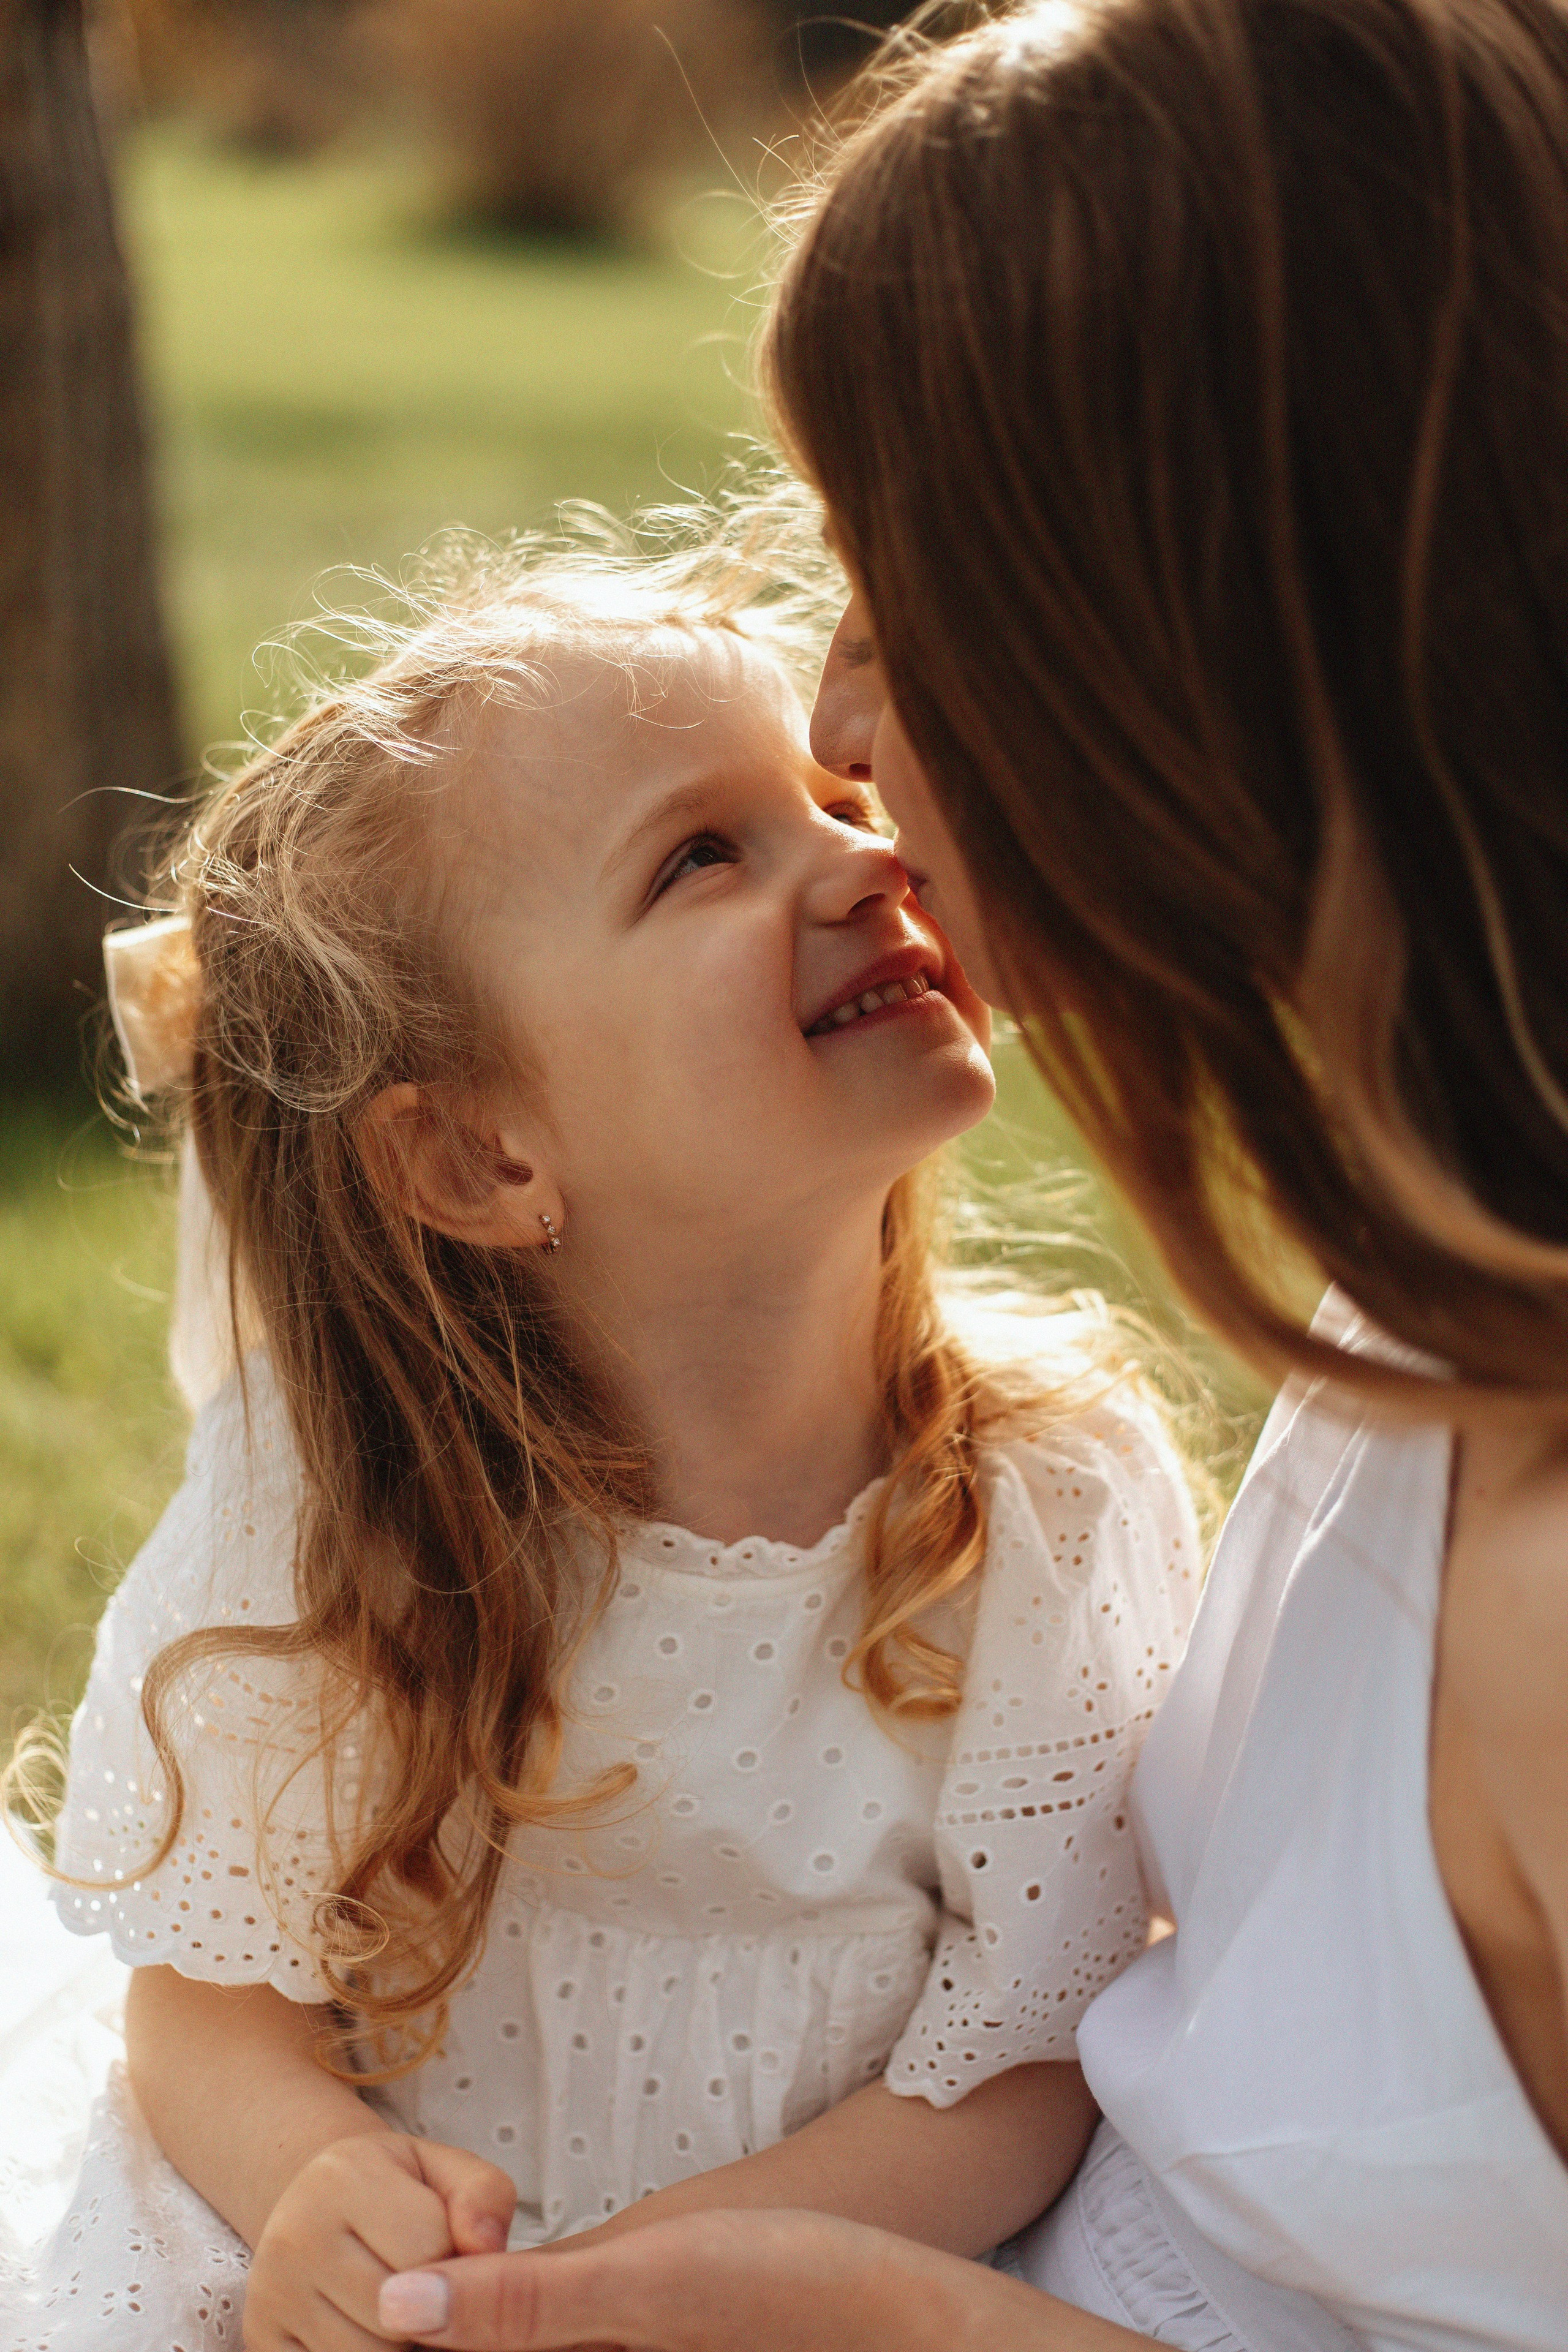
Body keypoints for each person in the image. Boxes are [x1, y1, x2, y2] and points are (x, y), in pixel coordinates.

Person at [364, 0, 1568, 2343]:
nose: (834, 724)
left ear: (1183, 640)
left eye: (903, 597)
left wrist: (909, 2321)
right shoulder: (1436, 1262)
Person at [0, 540, 1204, 2351]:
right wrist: (320, 2190)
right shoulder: (333, 1500)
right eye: (704, 855)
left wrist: (617, 2295)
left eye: (837, 800)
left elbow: (1022, 2068)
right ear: (481, 1157)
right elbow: (209, 1999)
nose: (869, 859)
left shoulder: (1045, 1498)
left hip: (828, 2275)